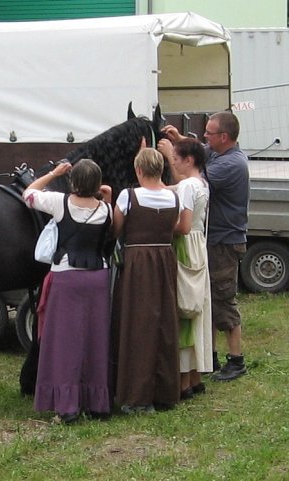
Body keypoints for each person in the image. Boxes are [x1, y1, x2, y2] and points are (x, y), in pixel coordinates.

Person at [23, 159, 113, 423]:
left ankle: (67, 407)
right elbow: (113, 231)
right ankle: (96, 403)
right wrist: (105, 195)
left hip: (66, 277)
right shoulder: (106, 210)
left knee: (64, 342)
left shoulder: (60, 203)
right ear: (97, 184)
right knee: (95, 340)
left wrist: (53, 173)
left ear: (73, 182)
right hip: (98, 277)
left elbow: (28, 194)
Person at [161, 111, 249, 382]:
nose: (204, 139)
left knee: (223, 299)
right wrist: (180, 139)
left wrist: (168, 156)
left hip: (224, 242)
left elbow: (192, 174)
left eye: (208, 134)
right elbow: (201, 151)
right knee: (207, 299)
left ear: (224, 137)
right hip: (214, 239)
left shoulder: (229, 165)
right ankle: (208, 356)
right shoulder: (222, 153)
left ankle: (236, 360)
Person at [112, 148, 180, 413]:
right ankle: (164, 392)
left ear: (138, 170)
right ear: (161, 169)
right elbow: (172, 228)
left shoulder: (128, 196)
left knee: (137, 325)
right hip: (164, 260)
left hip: (138, 262)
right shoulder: (173, 198)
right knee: (164, 322)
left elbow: (115, 230)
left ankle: (136, 396)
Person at [158, 138, 213, 399]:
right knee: (196, 307)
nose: (174, 163)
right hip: (199, 245)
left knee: (182, 307)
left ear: (189, 160)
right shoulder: (201, 182)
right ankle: (195, 376)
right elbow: (171, 187)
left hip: (184, 246)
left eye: (176, 159)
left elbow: (183, 224)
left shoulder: (188, 186)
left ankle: (182, 382)